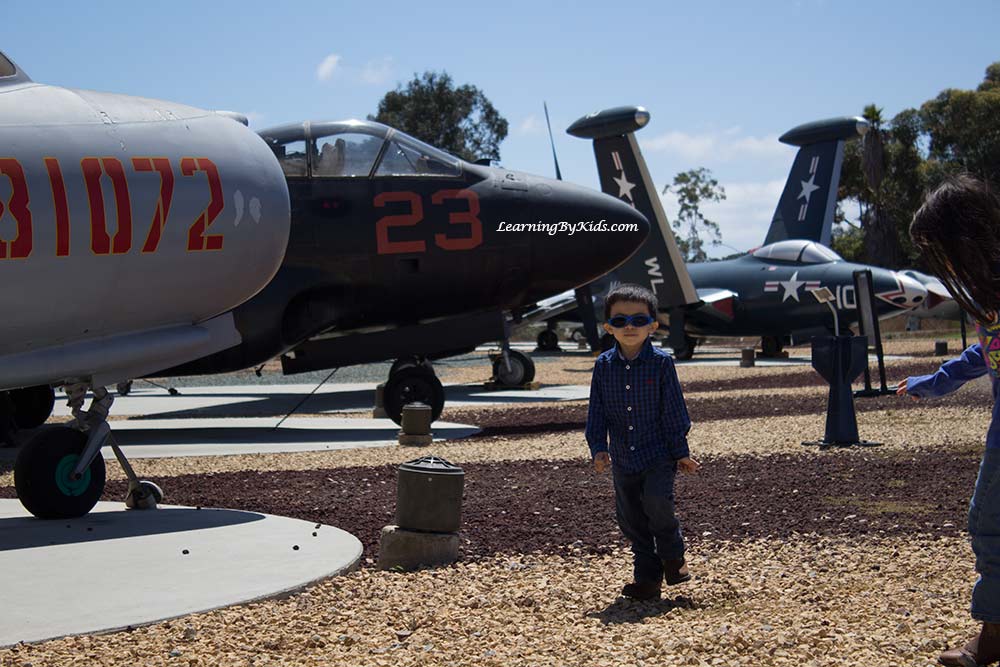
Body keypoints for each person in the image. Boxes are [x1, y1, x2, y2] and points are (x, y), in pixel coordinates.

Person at [897, 174, 1000, 666]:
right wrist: (934, 381)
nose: (944, 265)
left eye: (942, 250)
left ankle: (996, 633)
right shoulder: (990, 297)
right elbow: (986, 353)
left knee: (990, 522)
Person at [585, 283, 700, 600]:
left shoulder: (662, 363)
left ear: (653, 324)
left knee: (657, 504)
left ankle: (673, 558)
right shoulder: (603, 366)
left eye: (638, 320)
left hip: (658, 454)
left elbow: (674, 410)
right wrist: (598, 448)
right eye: (620, 321)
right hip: (623, 458)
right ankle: (647, 579)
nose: (630, 327)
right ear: (609, 327)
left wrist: (681, 453)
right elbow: (596, 412)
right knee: (630, 518)